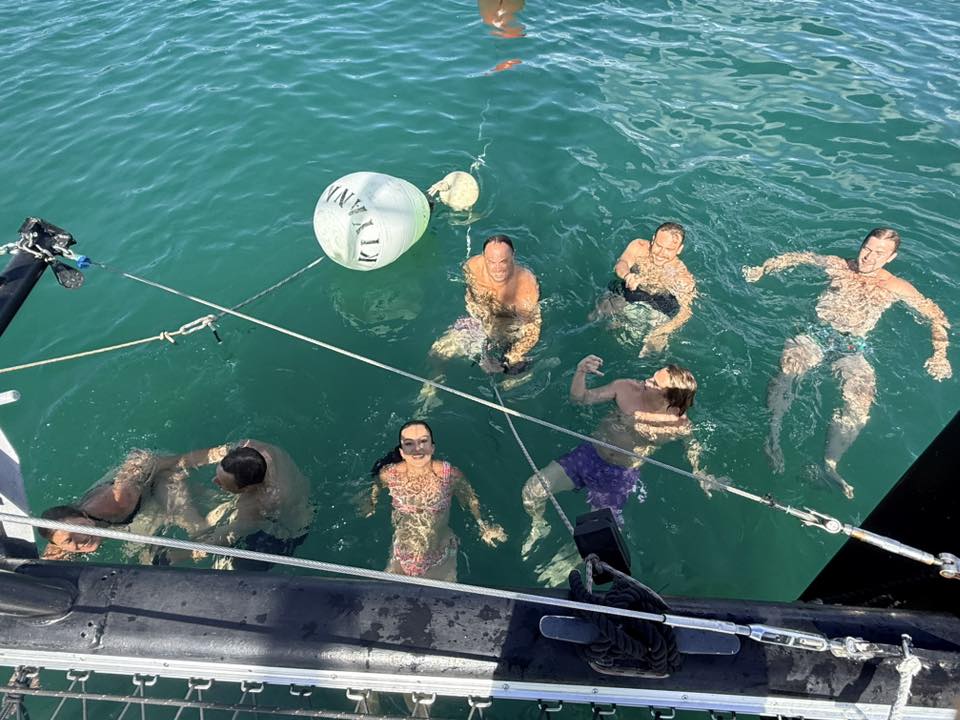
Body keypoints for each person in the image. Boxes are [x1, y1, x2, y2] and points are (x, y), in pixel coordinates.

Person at [743, 228, 951, 499]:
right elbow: (799, 257)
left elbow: (937, 317)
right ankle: (773, 433)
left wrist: (940, 354)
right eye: (867, 248)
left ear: (891, 258)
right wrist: (763, 268)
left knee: (861, 396)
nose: (869, 257)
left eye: (879, 253)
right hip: (815, 335)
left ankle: (830, 464)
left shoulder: (895, 286)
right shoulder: (838, 266)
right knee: (787, 371)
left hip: (852, 347)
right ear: (861, 245)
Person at [521, 355, 713, 556]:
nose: (647, 381)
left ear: (668, 399)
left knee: (598, 539)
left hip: (620, 475)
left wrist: (700, 472)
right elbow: (580, 399)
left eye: (655, 383)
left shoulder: (678, 424)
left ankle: (566, 563)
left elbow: (692, 445)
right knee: (532, 491)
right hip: (590, 455)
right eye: (653, 376)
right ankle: (539, 526)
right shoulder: (625, 388)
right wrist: (580, 372)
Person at [365, 421, 506, 581]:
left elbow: (470, 499)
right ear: (402, 452)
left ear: (432, 447)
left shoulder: (449, 475)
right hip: (402, 553)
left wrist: (483, 526)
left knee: (444, 596)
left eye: (423, 441)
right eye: (409, 443)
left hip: (441, 552)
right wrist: (371, 504)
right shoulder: (389, 474)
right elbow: (375, 488)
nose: (417, 449)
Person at [418, 235, 541, 410]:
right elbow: (470, 297)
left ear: (513, 256)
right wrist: (482, 344)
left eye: (503, 261)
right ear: (484, 258)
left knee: (512, 381)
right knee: (437, 353)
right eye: (491, 262)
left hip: (511, 328)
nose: (497, 269)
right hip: (480, 320)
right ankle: (433, 383)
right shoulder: (472, 267)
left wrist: (508, 358)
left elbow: (532, 329)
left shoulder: (526, 286)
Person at [39, 448, 214, 559]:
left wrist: (219, 454)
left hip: (156, 478)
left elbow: (145, 461)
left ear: (84, 516)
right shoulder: (60, 542)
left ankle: (215, 525)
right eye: (69, 541)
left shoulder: (118, 500)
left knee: (197, 531)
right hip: (136, 511)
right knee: (147, 559)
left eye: (79, 529)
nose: (81, 539)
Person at [182, 440, 315, 571]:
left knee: (237, 567)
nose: (214, 480)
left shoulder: (262, 504)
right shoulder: (252, 447)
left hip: (287, 534)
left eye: (222, 483)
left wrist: (177, 554)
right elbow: (212, 454)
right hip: (295, 495)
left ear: (247, 489)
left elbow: (223, 537)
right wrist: (175, 463)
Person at [592, 222, 698, 357]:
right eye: (658, 245)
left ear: (679, 249)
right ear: (653, 239)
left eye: (669, 249)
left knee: (636, 346)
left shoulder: (682, 277)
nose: (661, 253)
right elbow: (622, 263)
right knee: (595, 318)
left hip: (658, 304)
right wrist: (627, 275)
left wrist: (661, 333)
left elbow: (685, 313)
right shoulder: (639, 246)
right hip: (629, 291)